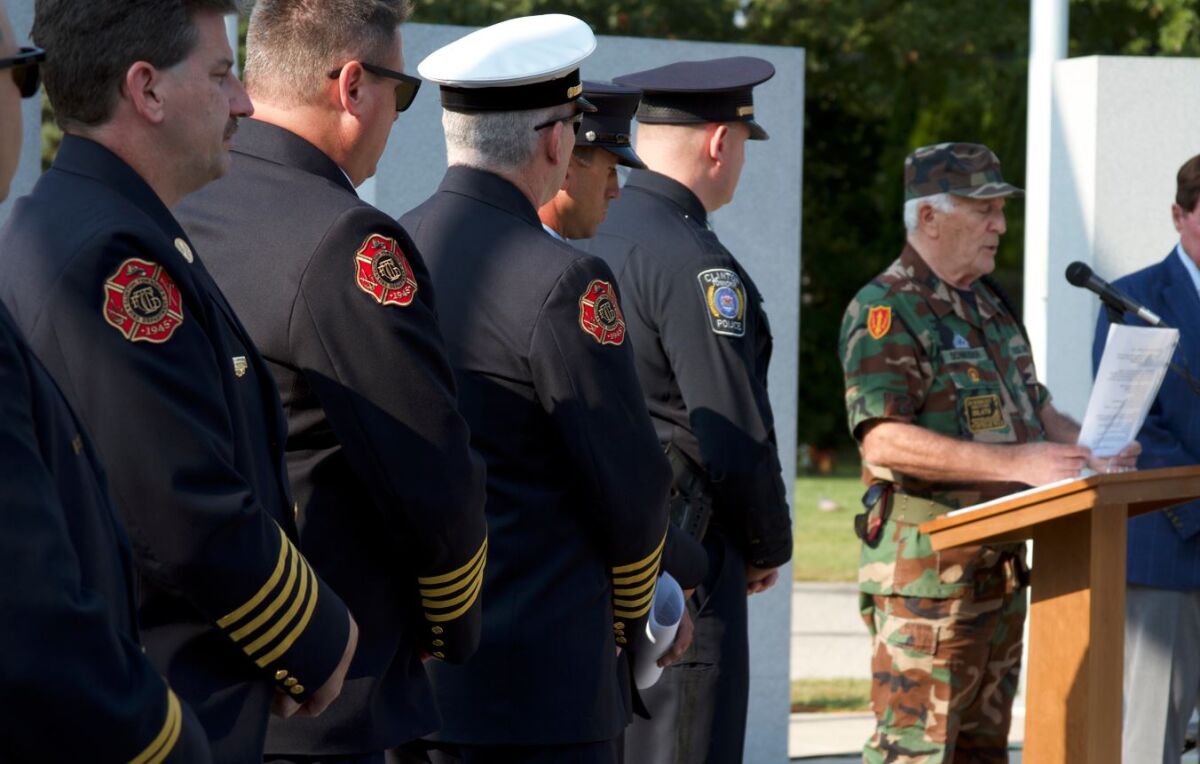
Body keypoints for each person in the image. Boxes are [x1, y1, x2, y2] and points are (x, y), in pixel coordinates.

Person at [0, 2, 358, 761]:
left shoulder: (107, 226)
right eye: (224, 76)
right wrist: (315, 638)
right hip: (165, 703)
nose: (245, 103)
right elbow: (179, 503)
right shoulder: (111, 256)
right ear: (147, 91)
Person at [175, 1, 488, 761]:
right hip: (331, 693)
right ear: (353, 86)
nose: (395, 115)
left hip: (197, 687)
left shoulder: (180, 199)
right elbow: (429, 473)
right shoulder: (349, 238)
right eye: (400, 92)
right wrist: (449, 626)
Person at [400, 15, 671, 763]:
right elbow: (633, 486)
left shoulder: (385, 250)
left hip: (414, 686)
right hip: (541, 693)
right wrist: (633, 619)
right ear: (556, 141)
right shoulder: (565, 281)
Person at [839, 142, 1139, 762]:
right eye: (984, 210)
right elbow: (883, 437)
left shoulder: (991, 306)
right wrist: (1017, 464)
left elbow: (1035, 408)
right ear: (928, 218)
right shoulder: (887, 309)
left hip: (1000, 578)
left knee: (983, 753)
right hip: (929, 586)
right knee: (914, 752)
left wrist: (1091, 452)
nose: (1000, 226)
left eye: (1001, 211)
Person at [0, 8, 210, 761]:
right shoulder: (107, 245)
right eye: (21, 74)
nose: (33, 99)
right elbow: (28, 614)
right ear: (145, 91)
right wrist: (169, 740)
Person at [583, 57, 793, 764]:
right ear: (718, 143)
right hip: (688, 570)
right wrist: (767, 545)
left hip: (604, 560)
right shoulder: (695, 262)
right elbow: (729, 430)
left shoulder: (592, 231)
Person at [1092, 154, 1200, 764]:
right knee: (1151, 743)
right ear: (1178, 215)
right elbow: (1133, 427)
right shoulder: (1131, 298)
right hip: (1169, 550)